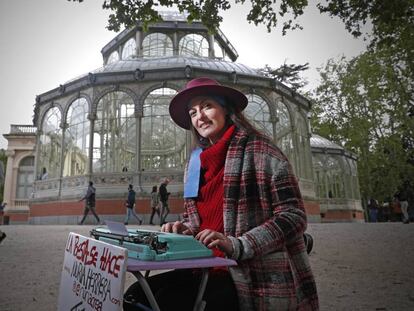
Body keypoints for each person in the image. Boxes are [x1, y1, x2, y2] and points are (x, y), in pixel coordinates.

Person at [123, 77, 319, 310]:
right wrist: (185, 229)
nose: (200, 117)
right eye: (193, 112)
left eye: (207, 106)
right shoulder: (195, 162)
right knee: (134, 297)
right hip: (203, 264)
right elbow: (197, 219)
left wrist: (239, 243)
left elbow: (293, 216)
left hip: (245, 270)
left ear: (226, 108)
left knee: (166, 303)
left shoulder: (260, 150)